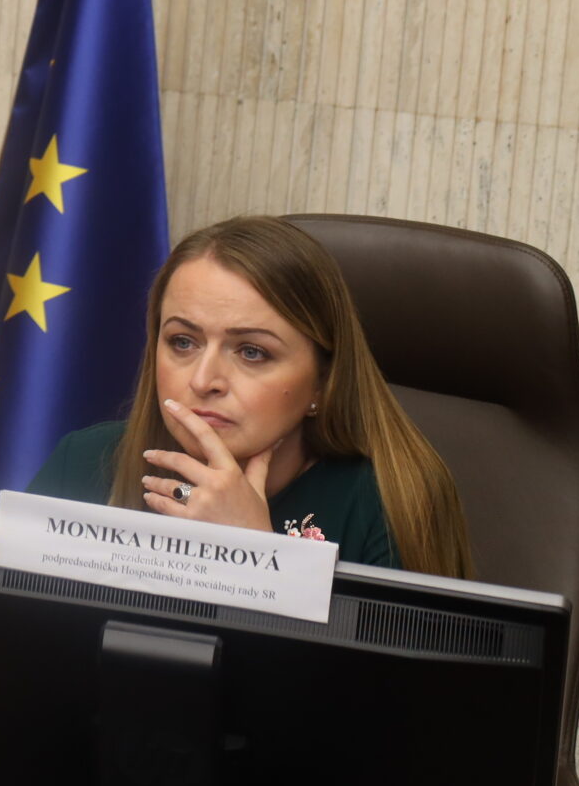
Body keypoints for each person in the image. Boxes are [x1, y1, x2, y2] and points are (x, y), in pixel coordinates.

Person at [28, 213, 474, 577]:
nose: (204, 380)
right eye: (183, 341)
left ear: (323, 380)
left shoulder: (393, 499)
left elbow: (398, 666)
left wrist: (256, 558)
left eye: (252, 352)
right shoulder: (83, 462)